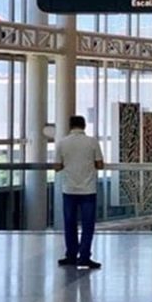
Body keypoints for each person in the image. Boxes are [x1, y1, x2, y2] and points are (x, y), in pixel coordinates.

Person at [54, 115, 104, 269]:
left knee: (70, 224)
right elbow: (100, 164)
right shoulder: (92, 142)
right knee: (88, 225)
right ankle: (84, 257)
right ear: (84, 126)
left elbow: (57, 166)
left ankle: (71, 255)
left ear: (70, 126)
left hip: (69, 189)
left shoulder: (62, 143)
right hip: (88, 189)